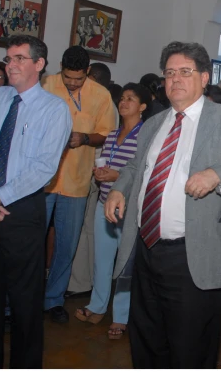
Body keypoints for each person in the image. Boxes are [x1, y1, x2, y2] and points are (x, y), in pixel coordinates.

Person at [104, 41, 221, 369]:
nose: (176, 79)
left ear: (205, 78)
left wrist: (217, 175)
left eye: (185, 72)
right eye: (170, 73)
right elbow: (136, 167)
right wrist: (120, 188)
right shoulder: (153, 124)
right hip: (146, 250)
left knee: (190, 349)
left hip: (193, 254)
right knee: (147, 340)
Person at [0, 35, 71, 368]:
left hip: (22, 211)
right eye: (8, 59)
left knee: (24, 303)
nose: (12, 65)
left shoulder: (54, 109)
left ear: (39, 64)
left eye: (20, 58)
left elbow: (43, 169)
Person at [41, 46, 116, 323]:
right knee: (31, 242)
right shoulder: (45, 85)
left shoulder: (101, 95)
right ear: (60, 67)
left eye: (78, 78)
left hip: (76, 181)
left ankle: (53, 300)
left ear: (87, 72)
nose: (72, 83)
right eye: (67, 77)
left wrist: (84, 138)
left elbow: (106, 134)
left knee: (67, 244)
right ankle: (21, 298)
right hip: (42, 181)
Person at [75, 83, 153, 340]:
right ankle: (97, 306)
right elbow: (106, 167)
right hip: (104, 204)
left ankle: (121, 316)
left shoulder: (146, 137)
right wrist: (101, 174)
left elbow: (142, 174)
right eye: (122, 98)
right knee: (103, 260)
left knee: (125, 265)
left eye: (131, 99)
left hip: (129, 210)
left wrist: (116, 175)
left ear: (142, 107)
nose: (124, 102)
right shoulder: (111, 135)